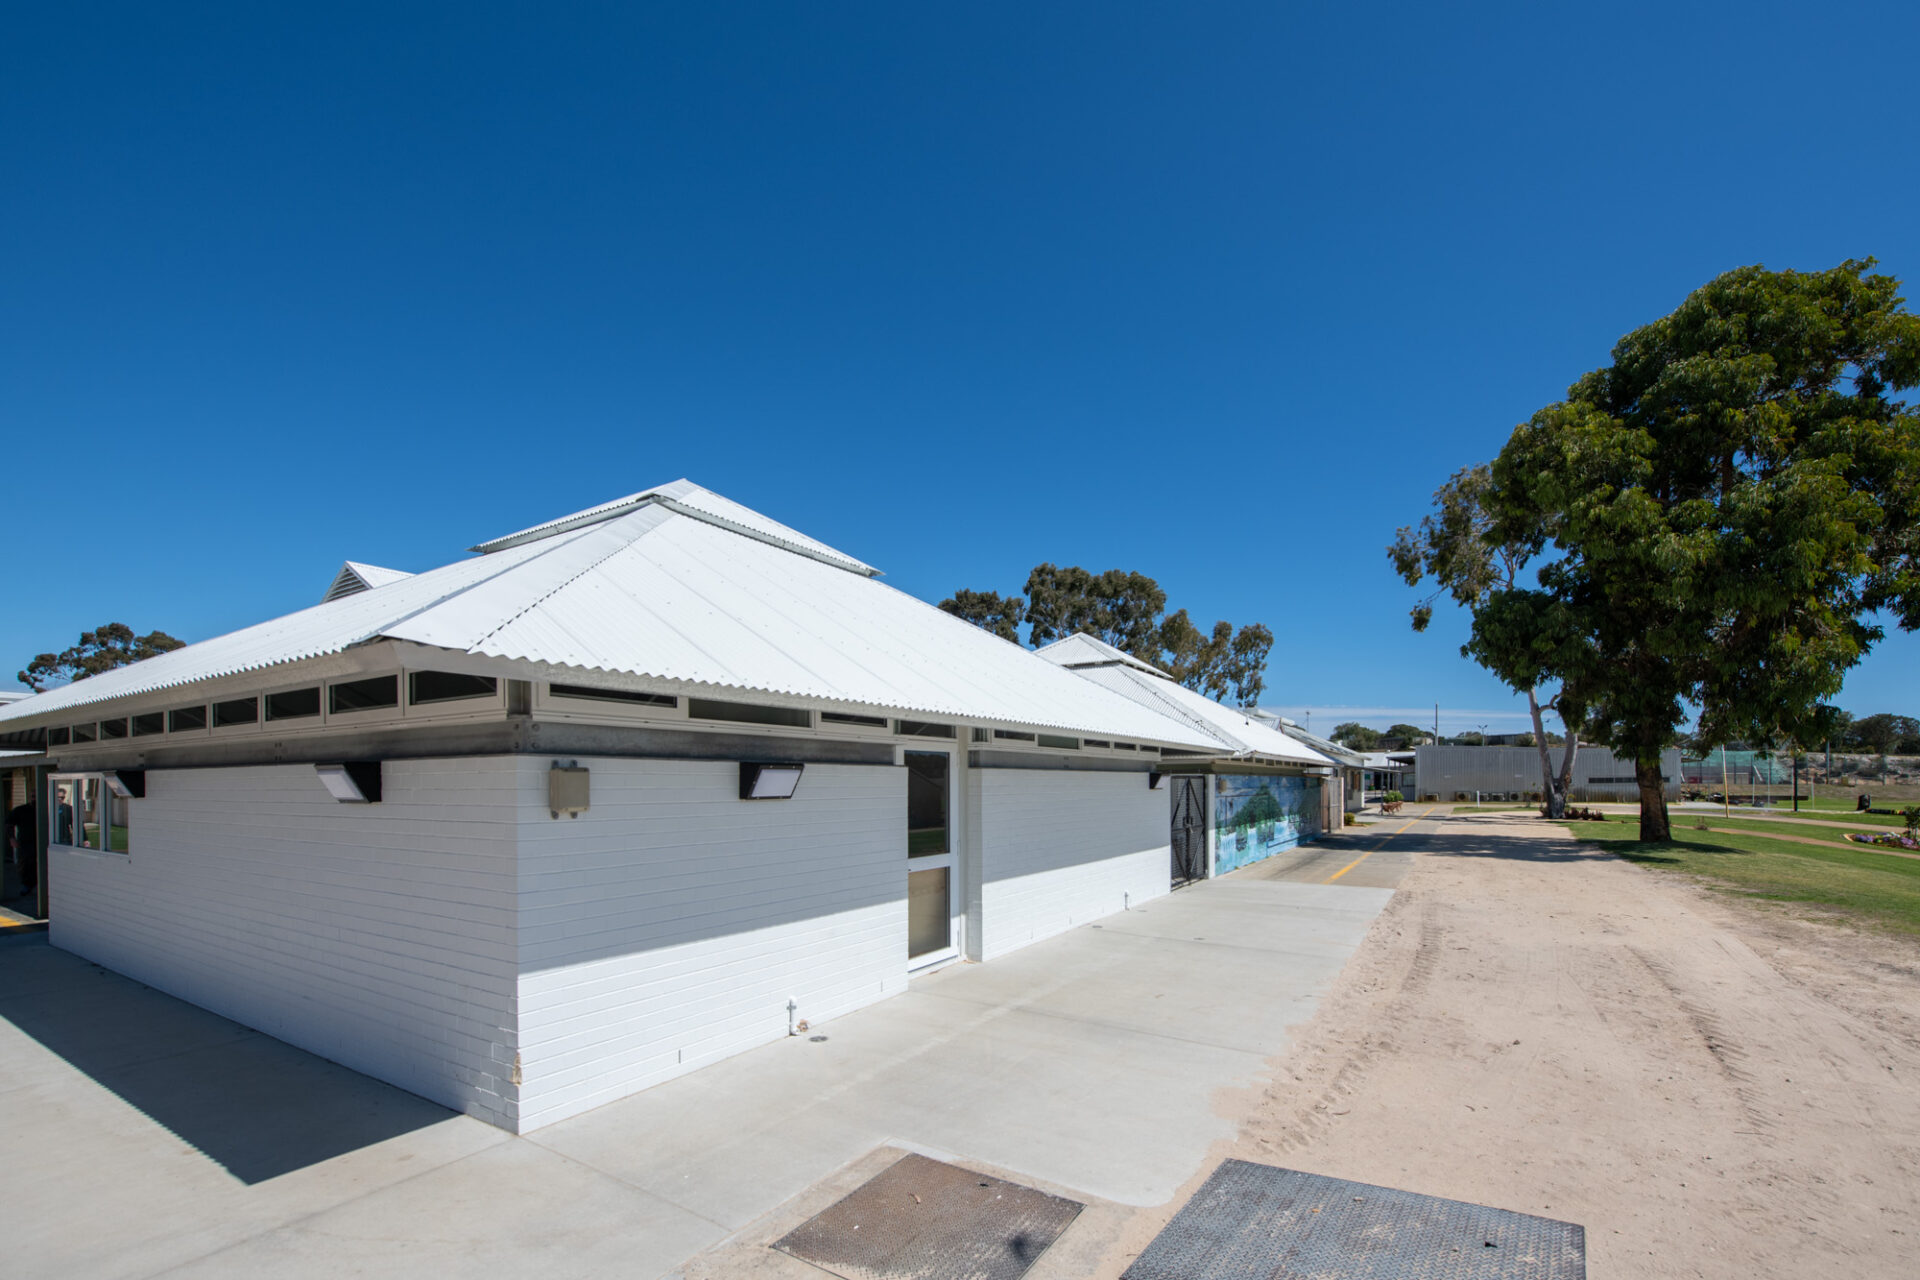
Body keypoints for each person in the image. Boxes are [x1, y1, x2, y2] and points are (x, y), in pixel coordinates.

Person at [4, 799, 36, 897]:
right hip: (25, 843)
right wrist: (12, 838)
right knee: (25, 864)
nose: (34, 798)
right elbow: (9, 824)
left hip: (44, 842)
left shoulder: (49, 809)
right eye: (33, 796)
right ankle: (26, 885)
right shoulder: (21, 810)